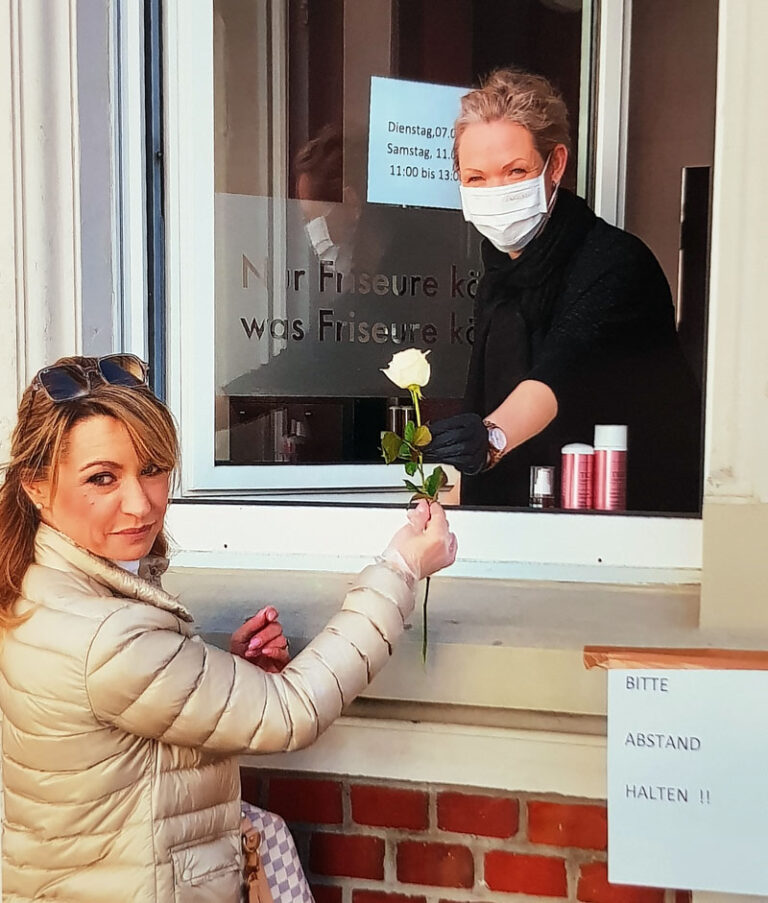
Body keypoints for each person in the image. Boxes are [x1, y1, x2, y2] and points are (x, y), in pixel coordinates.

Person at [0, 354, 457, 902]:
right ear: (36, 487)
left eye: (152, 467)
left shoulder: (32, 583)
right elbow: (292, 712)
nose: (141, 503)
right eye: (102, 478)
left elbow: (128, 724)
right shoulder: (105, 635)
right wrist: (401, 569)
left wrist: (217, 669)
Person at [424, 68, 701, 513]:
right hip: (533, 521)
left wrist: (490, 437)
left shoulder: (614, 263)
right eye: (476, 178)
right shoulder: (499, 276)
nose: (496, 190)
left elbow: (557, 375)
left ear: (555, 165)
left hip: (631, 523)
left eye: (515, 170)